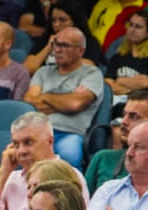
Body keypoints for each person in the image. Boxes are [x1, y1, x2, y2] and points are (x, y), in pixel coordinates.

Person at [0, 111, 89, 210]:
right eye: (16, 145)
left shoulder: (68, 176)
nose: (21, 151)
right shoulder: (11, 178)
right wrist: (3, 172)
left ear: (50, 142)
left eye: (28, 142)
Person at [24, 26, 104, 167]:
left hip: (70, 134)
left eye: (65, 45)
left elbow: (75, 104)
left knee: (69, 153)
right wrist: (63, 103)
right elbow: (29, 100)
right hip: (38, 132)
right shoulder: (43, 72)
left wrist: (45, 96)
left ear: (81, 51)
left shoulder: (92, 74)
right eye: (56, 44)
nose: (58, 50)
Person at [83, 90, 148, 194]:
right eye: (124, 115)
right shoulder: (103, 158)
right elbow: (83, 204)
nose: (123, 121)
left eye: (133, 117)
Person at [103, 10, 148, 109]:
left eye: (138, 27)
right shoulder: (118, 56)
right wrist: (130, 89)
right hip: (118, 101)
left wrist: (120, 81)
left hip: (145, 105)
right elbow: (108, 83)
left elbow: (146, 82)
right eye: (131, 25)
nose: (132, 29)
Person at [24, 1, 104, 76]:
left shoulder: (89, 42)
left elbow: (87, 68)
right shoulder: (45, 40)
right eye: (53, 20)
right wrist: (48, 47)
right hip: (41, 87)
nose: (57, 24)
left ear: (75, 21)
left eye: (62, 20)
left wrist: (42, 71)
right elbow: (27, 69)